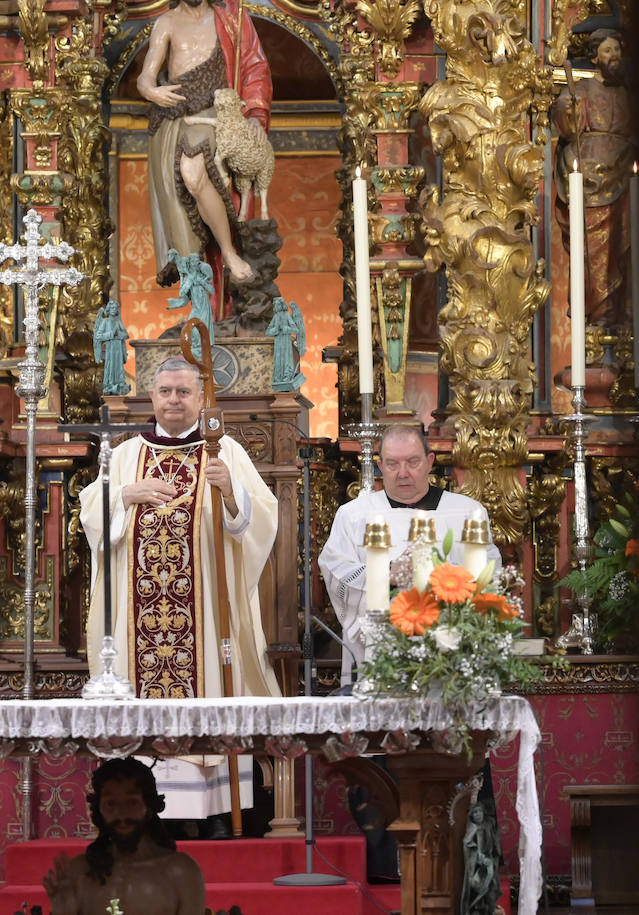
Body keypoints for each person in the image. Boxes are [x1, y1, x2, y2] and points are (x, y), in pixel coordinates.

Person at [79, 356, 280, 833]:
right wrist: (124, 495)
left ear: (200, 397)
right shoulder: (125, 455)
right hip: (137, 621)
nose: (174, 400)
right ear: (152, 397)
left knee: (212, 693)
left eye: (184, 392)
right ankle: (142, 811)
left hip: (207, 618)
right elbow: (90, 518)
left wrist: (231, 493)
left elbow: (261, 522)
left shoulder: (224, 450)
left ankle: (216, 815)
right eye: (166, 391)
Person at [318, 423, 502, 685]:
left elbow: (490, 576)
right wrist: (387, 574)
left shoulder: (467, 512)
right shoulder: (354, 515)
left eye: (412, 462)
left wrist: (446, 579)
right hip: (380, 653)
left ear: (429, 462)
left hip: (452, 653)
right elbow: (335, 572)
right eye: (392, 464)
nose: (403, 473)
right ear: (380, 466)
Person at [138, 0, 271, 289]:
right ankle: (214, 258)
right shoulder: (167, 22)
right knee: (185, 185)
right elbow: (146, 75)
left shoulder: (231, 19)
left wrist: (255, 114)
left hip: (216, 111)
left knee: (192, 172)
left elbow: (254, 66)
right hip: (175, 114)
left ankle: (229, 252)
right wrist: (151, 91)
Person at [43, 758, 205, 915]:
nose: (121, 814)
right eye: (110, 803)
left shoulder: (180, 871)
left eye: (132, 802)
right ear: (98, 809)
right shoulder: (79, 872)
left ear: (149, 805)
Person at [551, 28, 635, 329]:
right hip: (589, 179)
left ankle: (620, 316)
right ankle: (599, 315)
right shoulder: (583, 88)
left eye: (617, 50)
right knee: (592, 250)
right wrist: (569, 110)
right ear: (595, 57)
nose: (614, 56)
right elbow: (565, 123)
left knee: (623, 245)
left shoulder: (628, 93)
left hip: (623, 174)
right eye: (608, 50)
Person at [95, 301, 132, 396]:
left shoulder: (118, 322)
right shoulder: (105, 322)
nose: (113, 310)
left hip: (118, 348)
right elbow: (98, 336)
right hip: (110, 349)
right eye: (112, 308)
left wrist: (118, 334)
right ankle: (110, 385)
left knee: (118, 366)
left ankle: (119, 384)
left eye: (115, 308)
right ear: (108, 309)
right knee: (110, 365)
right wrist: (111, 334)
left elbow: (126, 335)